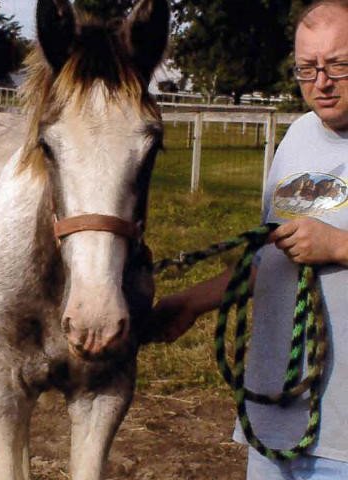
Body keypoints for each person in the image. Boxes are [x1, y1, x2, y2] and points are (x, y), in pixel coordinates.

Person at [150, 1, 348, 478]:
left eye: (338, 65)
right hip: (275, 423)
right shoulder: (297, 136)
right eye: (307, 68)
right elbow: (269, 262)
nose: (321, 82)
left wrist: (339, 246)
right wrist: (193, 302)